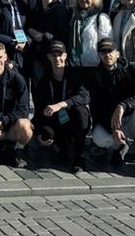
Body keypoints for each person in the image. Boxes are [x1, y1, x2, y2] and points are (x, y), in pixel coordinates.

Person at [86, 38, 135, 177]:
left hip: (133, 118)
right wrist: (113, 128)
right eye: (103, 52)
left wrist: (124, 105)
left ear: (118, 53)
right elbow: (96, 108)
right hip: (113, 122)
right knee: (98, 137)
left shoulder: (133, 68)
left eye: (110, 51)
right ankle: (120, 146)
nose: (107, 55)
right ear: (99, 55)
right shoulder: (95, 75)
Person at [32, 41, 91, 172]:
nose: (57, 58)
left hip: (72, 117)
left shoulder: (75, 75)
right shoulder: (43, 81)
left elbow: (85, 97)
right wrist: (38, 134)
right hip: (55, 121)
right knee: (47, 135)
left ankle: (79, 156)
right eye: (53, 55)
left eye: (60, 55)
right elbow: (38, 110)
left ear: (65, 56)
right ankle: (61, 146)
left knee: (81, 112)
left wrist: (61, 105)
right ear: (48, 57)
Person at [25, 0, 71, 84]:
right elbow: (28, 26)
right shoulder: (36, 9)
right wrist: (32, 32)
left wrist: (44, 36)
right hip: (37, 56)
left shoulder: (60, 10)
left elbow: (64, 35)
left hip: (54, 56)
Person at [67, 0, 112, 83]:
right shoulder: (74, 19)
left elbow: (108, 46)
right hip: (76, 68)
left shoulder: (101, 18)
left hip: (96, 69)